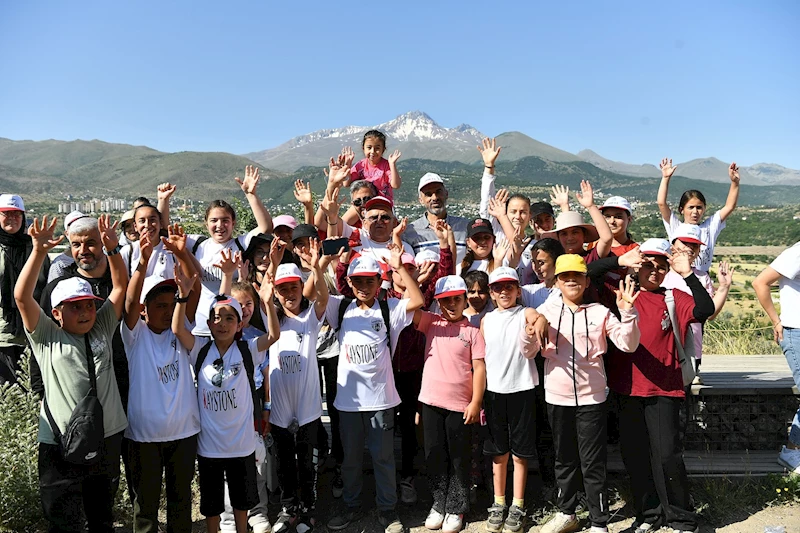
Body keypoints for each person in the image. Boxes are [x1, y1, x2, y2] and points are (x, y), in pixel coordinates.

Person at [15, 215, 128, 533]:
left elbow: (120, 285)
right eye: (74, 307)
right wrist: (39, 251)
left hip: (106, 434)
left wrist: (113, 250)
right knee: (62, 519)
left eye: (89, 305)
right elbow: (22, 297)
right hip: (59, 440)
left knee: (101, 516)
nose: (85, 312)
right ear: (56, 312)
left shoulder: (102, 326)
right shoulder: (46, 336)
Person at [524, 255, 640, 533]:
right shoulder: (545, 312)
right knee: (563, 459)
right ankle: (567, 512)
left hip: (592, 398)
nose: (571, 281)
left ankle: (599, 521)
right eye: (565, 277)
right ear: (557, 282)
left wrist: (628, 312)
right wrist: (530, 329)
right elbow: (527, 352)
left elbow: (628, 344)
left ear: (587, 281)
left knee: (592, 462)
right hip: (557, 397)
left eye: (577, 276)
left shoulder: (600, 312)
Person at [605, 239, 714, 533]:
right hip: (627, 388)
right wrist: (619, 262)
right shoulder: (620, 294)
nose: (654, 270)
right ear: (637, 267)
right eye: (648, 265)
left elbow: (705, 309)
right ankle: (649, 515)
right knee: (636, 457)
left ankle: (680, 517)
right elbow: (588, 275)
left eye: (661, 266)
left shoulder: (674, 297)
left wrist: (687, 272)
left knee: (667, 456)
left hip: (665, 388)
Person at [325, 250, 424, 533]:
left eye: (370, 280)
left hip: (381, 400)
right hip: (349, 402)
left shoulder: (389, 308)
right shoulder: (340, 307)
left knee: (383, 458)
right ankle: (351, 506)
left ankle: (387, 510)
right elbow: (313, 295)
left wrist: (399, 268)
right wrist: (321, 266)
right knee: (351, 459)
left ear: (380, 282)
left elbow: (418, 300)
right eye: (357, 280)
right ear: (349, 282)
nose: (364, 286)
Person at [172, 272, 280, 533]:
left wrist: (267, 303)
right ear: (209, 323)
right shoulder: (200, 349)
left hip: (241, 444)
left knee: (242, 499)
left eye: (230, 318)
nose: (222, 323)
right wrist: (183, 297)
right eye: (217, 318)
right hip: (209, 445)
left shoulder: (247, 349)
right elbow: (177, 329)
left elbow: (273, 336)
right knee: (212, 503)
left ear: (240, 324)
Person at [121, 225, 201, 533]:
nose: (168, 312)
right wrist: (142, 263)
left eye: (172, 305)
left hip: (184, 433)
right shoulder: (134, 335)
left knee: (181, 502)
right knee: (146, 507)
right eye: (160, 306)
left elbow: (194, 291)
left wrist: (182, 254)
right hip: (143, 437)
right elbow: (129, 303)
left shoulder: (181, 331)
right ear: (145, 310)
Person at [414, 275, 487, 533]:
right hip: (431, 402)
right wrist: (408, 274)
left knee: (459, 457)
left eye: (457, 299)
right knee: (434, 454)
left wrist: (476, 402)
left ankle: (456, 507)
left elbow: (479, 369)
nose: (452, 304)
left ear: (465, 300)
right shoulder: (430, 322)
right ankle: (438, 503)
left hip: (460, 406)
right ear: (438, 303)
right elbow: (411, 307)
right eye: (445, 300)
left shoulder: (473, 331)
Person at [267, 240, 330, 533]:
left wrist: (316, 268)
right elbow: (263, 296)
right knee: (283, 463)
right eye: (282, 289)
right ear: (275, 292)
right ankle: (288, 508)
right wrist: (272, 265)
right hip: (280, 409)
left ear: (301, 287)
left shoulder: (309, 320)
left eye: (294, 287)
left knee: (307, 463)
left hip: (307, 408)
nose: (289, 293)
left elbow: (323, 298)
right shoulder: (271, 322)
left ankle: (308, 510)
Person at [481, 267, 547, 533]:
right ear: (491, 293)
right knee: (499, 453)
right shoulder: (486, 320)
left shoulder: (525, 313)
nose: (504, 292)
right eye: (498, 288)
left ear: (519, 290)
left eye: (509, 286)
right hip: (493, 392)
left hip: (523, 389)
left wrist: (538, 322)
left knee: (521, 453)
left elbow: (537, 317)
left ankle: (517, 505)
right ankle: (499, 503)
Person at [187, 165, 273, 337]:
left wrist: (251, 195)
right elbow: (165, 233)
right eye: (214, 220)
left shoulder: (240, 244)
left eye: (225, 220)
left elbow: (266, 227)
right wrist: (164, 200)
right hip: (201, 326)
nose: (220, 225)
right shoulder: (197, 244)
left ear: (233, 223)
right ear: (206, 224)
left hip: (232, 327)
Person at [752, 241, 800, 474]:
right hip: (796, 330)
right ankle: (791, 450)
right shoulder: (797, 252)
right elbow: (760, 282)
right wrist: (776, 320)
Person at [657, 158, 740, 273]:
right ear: (681, 210)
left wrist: (735, 183)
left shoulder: (709, 227)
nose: (695, 212)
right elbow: (661, 203)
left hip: (702, 278)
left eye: (699, 207)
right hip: (679, 277)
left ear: (704, 209)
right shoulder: (676, 227)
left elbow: (729, 207)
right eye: (690, 207)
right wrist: (665, 178)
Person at [0, 193, 49, 386]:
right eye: (6, 213)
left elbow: (45, 284)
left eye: (16, 214)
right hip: (3, 335)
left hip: (32, 332)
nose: (12, 218)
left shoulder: (34, 246)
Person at [402, 172, 471, 263]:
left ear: (446, 194)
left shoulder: (465, 227)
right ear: (421, 200)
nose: (435, 198)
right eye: (428, 194)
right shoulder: (410, 232)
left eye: (438, 192)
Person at [542, 181, 612, 263]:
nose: (570, 238)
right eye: (564, 234)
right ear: (558, 238)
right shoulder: (555, 260)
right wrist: (564, 206)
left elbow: (607, 238)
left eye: (575, 232)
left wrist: (591, 206)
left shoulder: (592, 257)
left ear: (584, 235)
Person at [346, 130, 402, 201]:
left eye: (377, 148)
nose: (372, 151)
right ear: (363, 148)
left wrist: (392, 164)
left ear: (383, 149)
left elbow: (396, 185)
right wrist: (347, 165)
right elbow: (346, 184)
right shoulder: (360, 165)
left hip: (382, 203)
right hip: (363, 203)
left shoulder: (386, 166)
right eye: (369, 148)